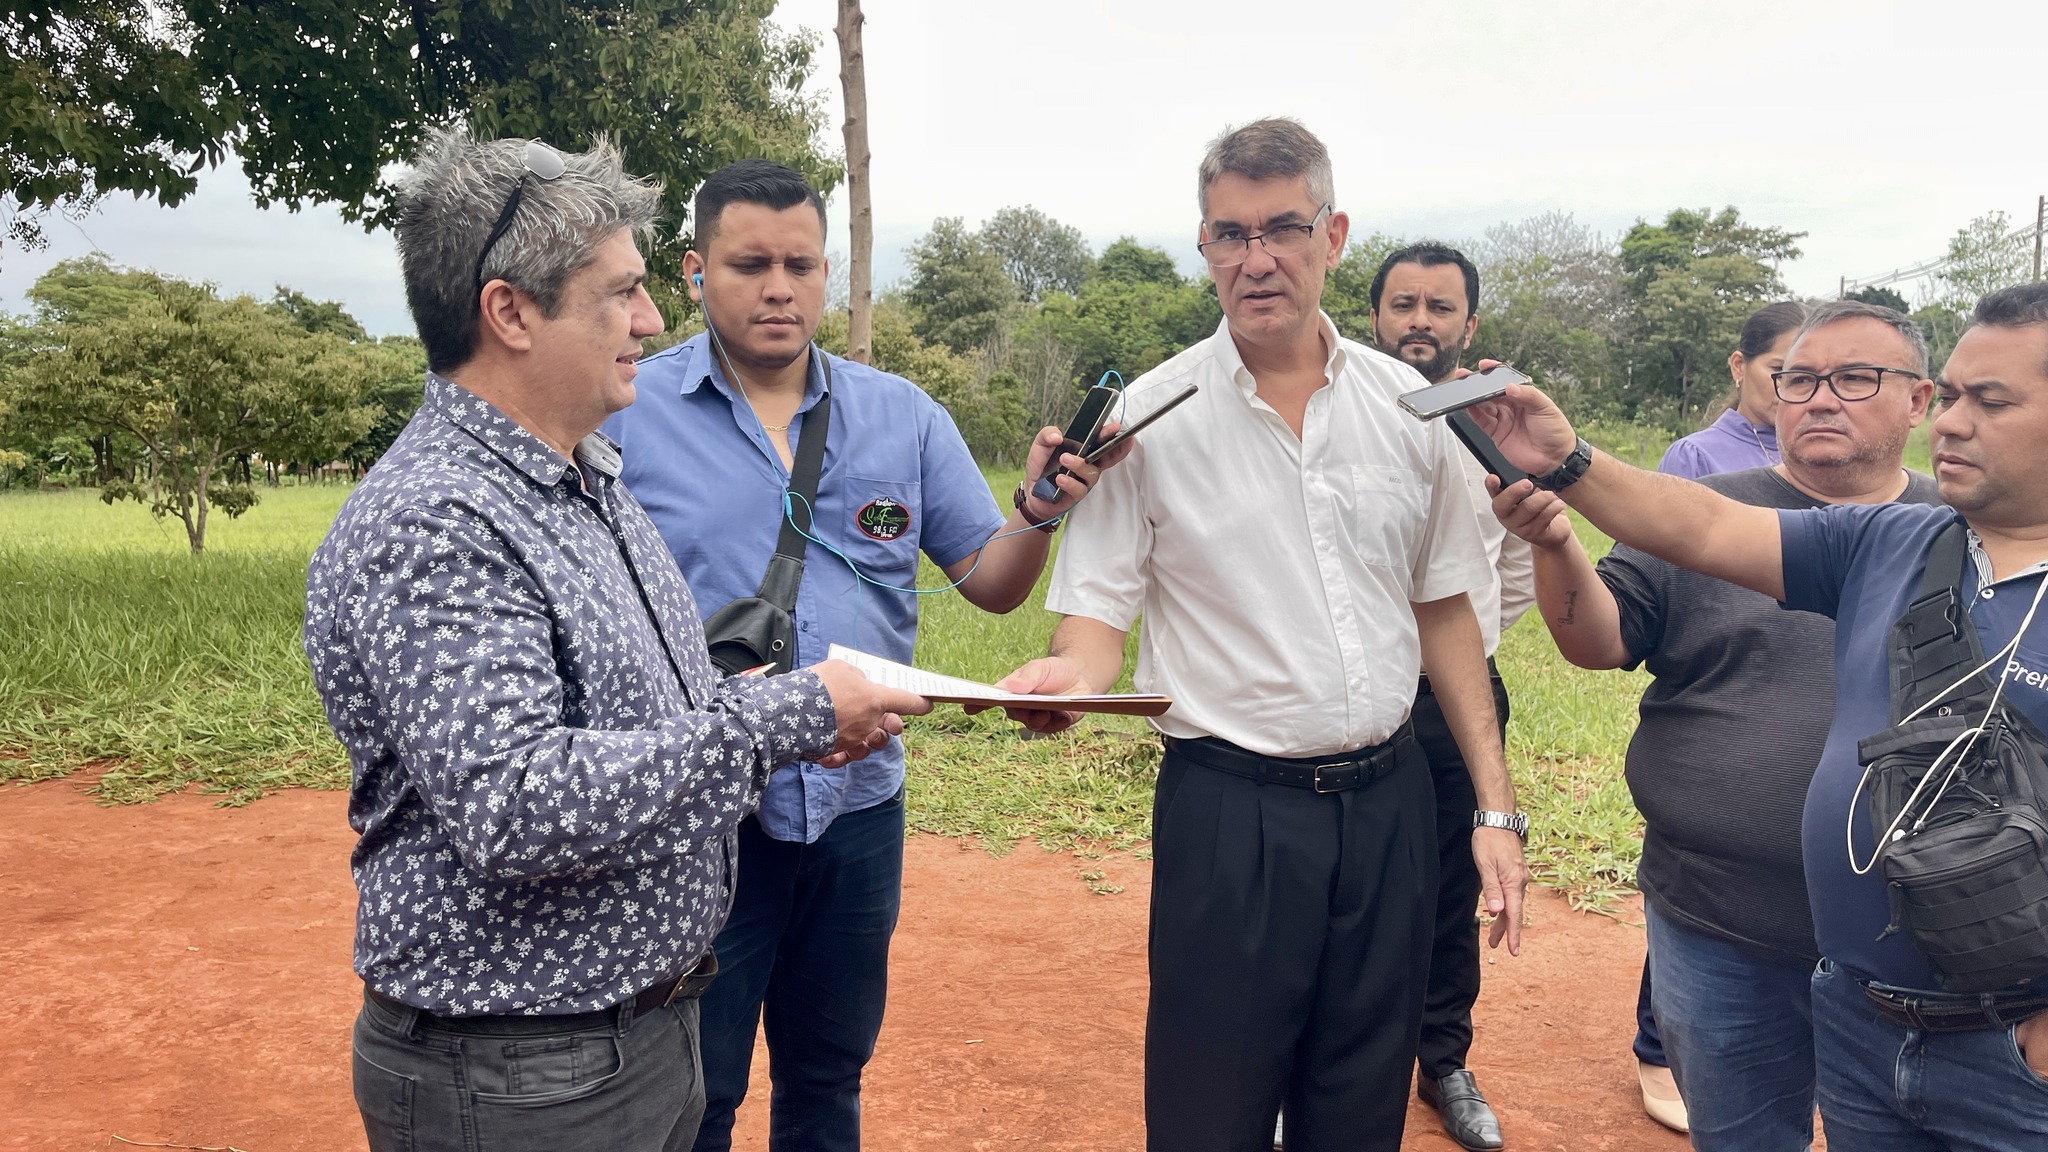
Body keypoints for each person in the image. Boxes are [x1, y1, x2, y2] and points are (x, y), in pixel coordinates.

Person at [302, 129, 928, 1152]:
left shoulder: (582, 479)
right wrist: (790, 714)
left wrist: (795, 716)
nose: (650, 320)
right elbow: (516, 804)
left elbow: (658, 711)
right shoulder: (436, 521)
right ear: (511, 312)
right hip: (520, 1076)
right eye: (621, 292)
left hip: (626, 1041)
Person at [992, 117, 1532, 1152]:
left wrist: (1493, 809)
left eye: (1281, 229)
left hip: (1390, 805)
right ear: (1203, 246)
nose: (1255, 259)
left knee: (1360, 1103)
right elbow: (1093, 627)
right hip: (1229, 815)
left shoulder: (1409, 406)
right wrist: (1064, 679)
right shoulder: (1145, 419)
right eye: (1228, 235)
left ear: (1332, 235)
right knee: (1211, 1110)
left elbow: (1444, 611)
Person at [600, 159, 1123, 1152]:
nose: (778, 288)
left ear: (826, 272)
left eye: (800, 265)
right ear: (694, 271)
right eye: (749, 264)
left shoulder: (902, 415)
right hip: (703, 815)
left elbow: (990, 581)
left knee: (828, 1074)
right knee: (696, 1089)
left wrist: (1038, 510)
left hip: (858, 810)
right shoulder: (626, 412)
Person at [1476, 286, 2048, 1150]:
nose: (1954, 424)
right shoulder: (1894, 541)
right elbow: (1703, 526)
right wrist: (1568, 460)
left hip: (2008, 1046)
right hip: (1858, 1010)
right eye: (1957, 397)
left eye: (1991, 402)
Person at [1626, 298, 1813, 1134]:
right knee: (1690, 906)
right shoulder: (1700, 459)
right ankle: (1657, 1045)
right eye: (1786, 373)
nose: (1805, 394)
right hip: (1720, 700)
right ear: (1741, 367)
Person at [1366, 242, 1537, 1152]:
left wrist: (1464, 657)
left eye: (1439, 307)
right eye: (1403, 305)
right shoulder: (1342, 418)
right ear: (1375, 317)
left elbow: (1515, 569)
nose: (1419, 322)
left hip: (1454, 702)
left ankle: (1443, 1062)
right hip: (1352, 697)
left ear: (1469, 324)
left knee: (1447, 889)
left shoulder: (1492, 429)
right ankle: (1320, 1064)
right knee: (1347, 886)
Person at [1658, 301, 1809, 480]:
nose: (1790, 387)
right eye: (1778, 370)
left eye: (1805, 377)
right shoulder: (1695, 457)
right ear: (1739, 366)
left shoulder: (1823, 454)